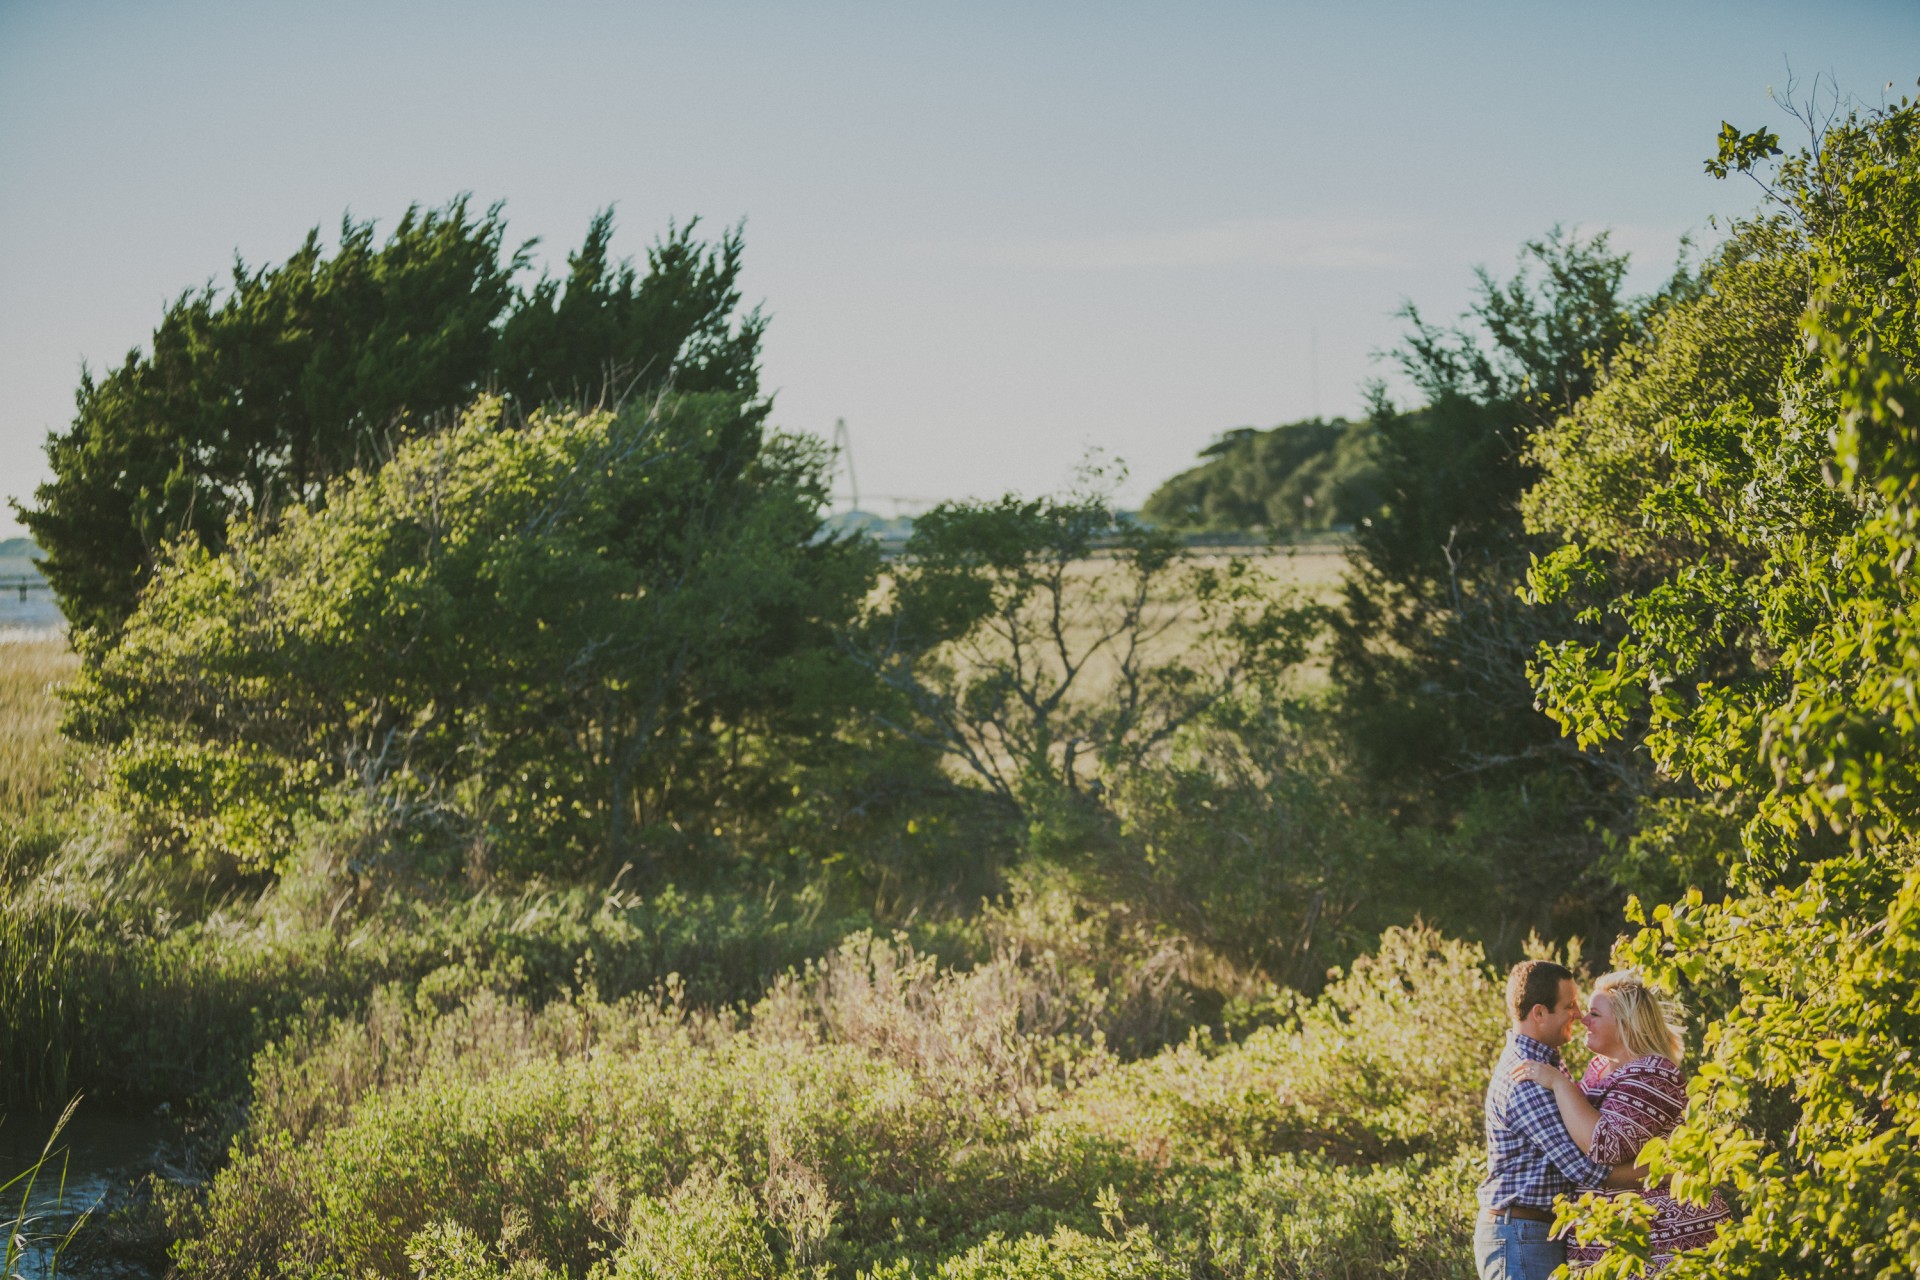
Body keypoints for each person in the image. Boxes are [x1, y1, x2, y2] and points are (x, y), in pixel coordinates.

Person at [1510, 969, 1731, 1275]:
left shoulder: (1654, 1073)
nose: (1583, 1019)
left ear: (1626, 1023)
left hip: (1664, 1241)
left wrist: (1559, 1084)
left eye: (1595, 1014)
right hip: (1617, 1244)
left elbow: (1605, 1146)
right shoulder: (1598, 1068)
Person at [1477, 960, 1637, 1280]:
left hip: (1534, 1234)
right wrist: (1655, 1173)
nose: (1578, 1014)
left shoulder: (1547, 1064)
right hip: (1521, 1237)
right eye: (1570, 1005)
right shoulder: (1526, 1077)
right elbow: (1583, 1167)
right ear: (1539, 1013)